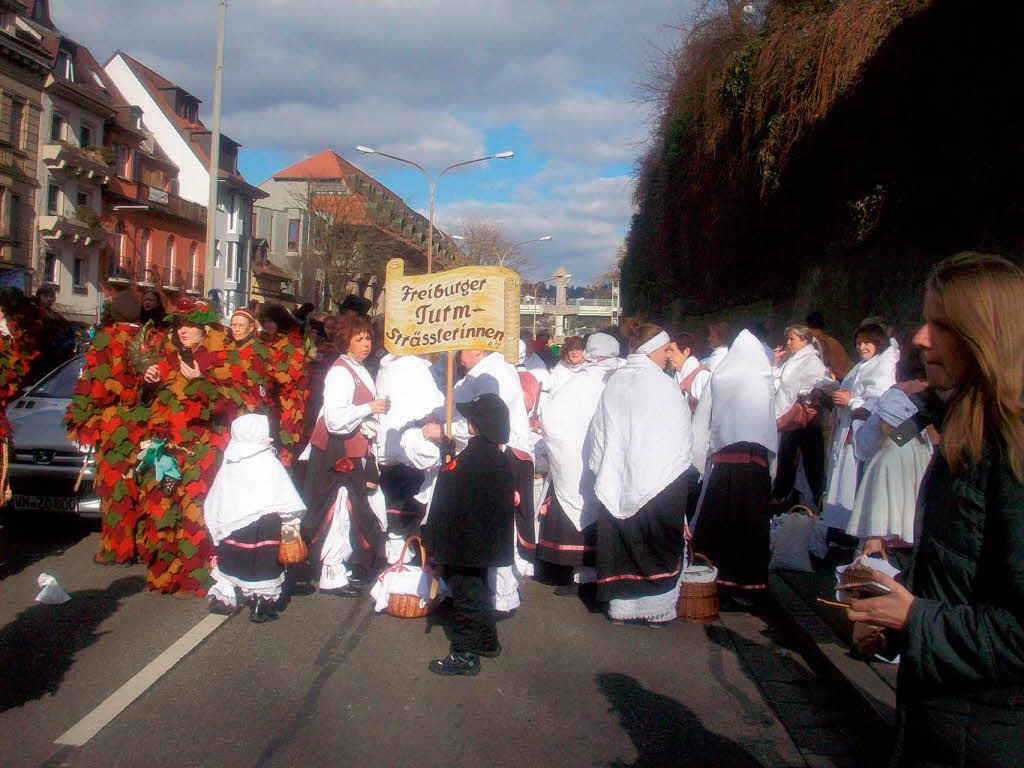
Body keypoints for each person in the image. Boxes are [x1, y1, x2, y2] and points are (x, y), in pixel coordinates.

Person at [847, 253, 1024, 768]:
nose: (921, 339)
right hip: (943, 723)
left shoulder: (1011, 454)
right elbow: (962, 574)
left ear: (988, 338)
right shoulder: (967, 431)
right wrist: (892, 615)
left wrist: (916, 618)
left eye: (941, 325)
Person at [589, 320, 693, 624]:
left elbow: (600, 432)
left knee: (625, 543)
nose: (668, 356)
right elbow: (680, 431)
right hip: (659, 480)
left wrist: (606, 466)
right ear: (652, 350)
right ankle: (655, 608)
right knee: (654, 544)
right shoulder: (663, 384)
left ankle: (622, 606)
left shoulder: (616, 382)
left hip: (619, 477)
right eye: (665, 350)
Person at [429, 346, 533, 613]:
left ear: (476, 350)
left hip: (496, 459)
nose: (458, 357)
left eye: (462, 351)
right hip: (483, 458)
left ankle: (495, 598)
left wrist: (441, 430)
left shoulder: (490, 375)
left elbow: (485, 421)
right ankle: (483, 596)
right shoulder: (479, 373)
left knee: (490, 531)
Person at [138, 298, 232, 595]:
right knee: (163, 512)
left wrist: (202, 381)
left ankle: (198, 576)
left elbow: (229, 407)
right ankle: (166, 575)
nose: (183, 331)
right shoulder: (166, 358)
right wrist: (148, 383)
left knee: (196, 515)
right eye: (179, 326)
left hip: (200, 450)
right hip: (166, 449)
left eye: (190, 325)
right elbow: (146, 405)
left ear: (204, 328)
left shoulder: (220, 358)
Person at [422, 393, 514, 676]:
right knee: (477, 591)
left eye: (473, 418)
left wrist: (450, 465)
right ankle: (486, 641)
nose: (468, 421)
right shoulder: (491, 454)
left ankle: (464, 654)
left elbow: (452, 491)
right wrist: (449, 457)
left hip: (466, 541)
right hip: (479, 542)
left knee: (466, 596)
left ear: (481, 423)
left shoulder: (477, 458)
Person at [300, 313, 390, 596]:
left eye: (367, 338)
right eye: (358, 339)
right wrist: (369, 409)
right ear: (346, 341)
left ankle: (343, 565)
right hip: (335, 452)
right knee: (339, 508)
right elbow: (335, 420)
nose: (365, 344)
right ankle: (331, 571)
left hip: (352, 449)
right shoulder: (340, 372)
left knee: (353, 509)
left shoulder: (359, 368)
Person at [690, 329, 778, 603]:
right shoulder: (764, 377)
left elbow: (702, 421)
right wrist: (773, 469)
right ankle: (750, 587)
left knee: (719, 523)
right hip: (756, 464)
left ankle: (716, 582)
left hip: (725, 464)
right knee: (751, 527)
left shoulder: (721, 376)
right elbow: (771, 426)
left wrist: (697, 466)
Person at [64, 291, 149, 565]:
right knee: (141, 484)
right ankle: (139, 544)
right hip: (146, 422)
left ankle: (118, 549)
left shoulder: (106, 339)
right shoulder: (152, 338)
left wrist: (82, 418)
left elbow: (93, 388)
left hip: (115, 423)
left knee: (116, 488)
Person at [537, 332, 622, 591]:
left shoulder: (581, 381)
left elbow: (550, 418)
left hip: (576, 458)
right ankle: (599, 569)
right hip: (601, 458)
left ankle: (572, 567)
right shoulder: (618, 379)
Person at [204, 414, 306, 621]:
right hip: (263, 527)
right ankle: (260, 603)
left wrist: (219, 520)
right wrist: (291, 521)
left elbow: (218, 493)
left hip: (233, 526)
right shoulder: (266, 459)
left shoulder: (231, 459)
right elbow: (284, 494)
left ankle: (225, 596)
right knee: (262, 564)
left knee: (232, 561)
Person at [820, 319, 898, 533]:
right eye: (858, 342)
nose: (862, 347)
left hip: (862, 436)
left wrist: (852, 402)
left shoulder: (883, 367)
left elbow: (882, 404)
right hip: (847, 432)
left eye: (867, 342)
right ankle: (838, 529)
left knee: (853, 485)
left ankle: (852, 532)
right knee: (841, 482)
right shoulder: (861, 367)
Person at [374, 349, 444, 561]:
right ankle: (408, 559)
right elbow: (432, 404)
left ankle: (397, 556)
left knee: (394, 501)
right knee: (410, 504)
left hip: (388, 445)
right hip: (410, 448)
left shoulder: (385, 366)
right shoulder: (414, 366)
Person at [771, 325, 828, 507]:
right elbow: (779, 384)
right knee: (786, 460)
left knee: (808, 463)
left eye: (792, 339)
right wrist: (774, 364)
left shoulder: (812, 362)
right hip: (789, 418)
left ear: (804, 341)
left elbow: (820, 385)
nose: (788, 343)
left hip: (803, 421)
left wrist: (807, 395)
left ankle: (810, 502)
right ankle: (783, 499)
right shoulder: (793, 360)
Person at [259, 304, 310, 467]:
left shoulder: (292, 343)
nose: (268, 325)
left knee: (285, 445)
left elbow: (291, 376)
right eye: (265, 321)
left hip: (287, 404)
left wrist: (269, 375)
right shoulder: (261, 342)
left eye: (272, 321)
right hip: (268, 403)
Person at [666, 330, 708, 414]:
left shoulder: (702, 376)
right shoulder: (676, 376)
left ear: (686, 351)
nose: (667, 355)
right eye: (667, 350)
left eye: (672, 350)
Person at [805, 310, 852, 380]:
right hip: (838, 383)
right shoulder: (833, 342)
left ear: (806, 324)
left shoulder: (801, 341)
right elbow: (849, 369)